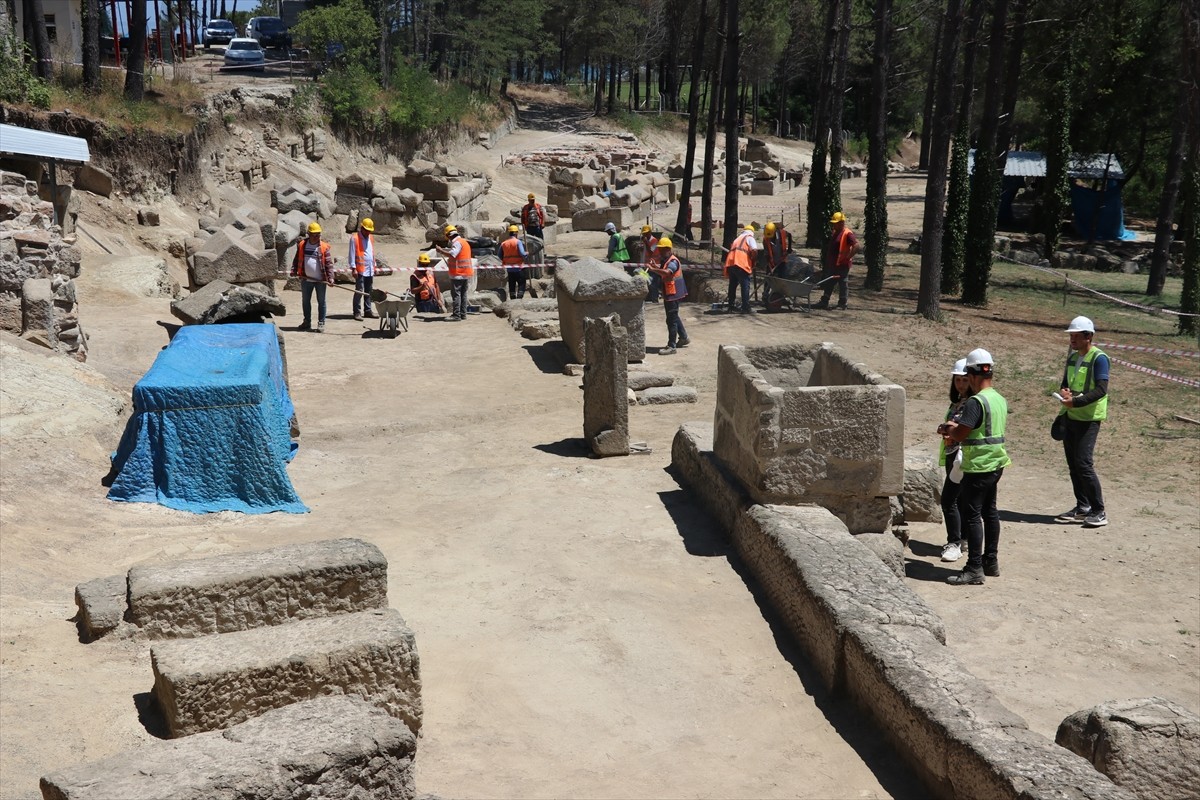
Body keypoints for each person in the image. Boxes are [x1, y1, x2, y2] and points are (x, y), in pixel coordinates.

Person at [941, 348, 1011, 585]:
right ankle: (991, 561)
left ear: (971, 375)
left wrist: (948, 430)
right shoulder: (999, 398)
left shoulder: (975, 402)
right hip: (996, 463)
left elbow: (961, 432)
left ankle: (974, 568)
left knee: (972, 515)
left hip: (978, 465)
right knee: (990, 512)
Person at [1054, 316, 1110, 528]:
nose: (1072, 339)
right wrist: (1064, 392)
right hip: (1071, 417)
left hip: (1089, 419)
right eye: (1071, 335)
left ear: (1089, 337)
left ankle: (1099, 511)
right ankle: (1083, 506)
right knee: (1073, 464)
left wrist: (1076, 402)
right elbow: (1065, 383)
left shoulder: (1100, 359)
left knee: (1084, 464)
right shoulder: (1072, 358)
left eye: (1076, 335)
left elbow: (1101, 389)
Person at [936, 358, 972, 562]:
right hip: (952, 454)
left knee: (949, 500)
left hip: (961, 456)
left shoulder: (972, 403)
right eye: (958, 380)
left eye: (965, 380)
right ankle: (963, 538)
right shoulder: (956, 401)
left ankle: (955, 543)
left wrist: (950, 428)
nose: (961, 385)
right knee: (959, 500)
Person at [290, 221, 335, 333]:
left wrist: (331, 278)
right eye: (314, 234)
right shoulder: (302, 245)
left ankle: (321, 322)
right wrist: (294, 270)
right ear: (309, 234)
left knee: (321, 301)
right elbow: (296, 260)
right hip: (306, 279)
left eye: (318, 234)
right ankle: (307, 321)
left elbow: (329, 264)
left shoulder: (324, 247)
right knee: (306, 301)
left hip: (320, 280)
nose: (317, 237)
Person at [650, 236, 689, 355]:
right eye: (660, 249)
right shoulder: (667, 260)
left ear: (668, 249)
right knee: (674, 316)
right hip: (671, 292)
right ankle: (683, 337)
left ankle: (671, 346)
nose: (660, 252)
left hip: (673, 293)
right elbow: (663, 269)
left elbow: (667, 272)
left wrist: (652, 269)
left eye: (662, 249)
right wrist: (656, 267)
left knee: (671, 319)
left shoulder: (673, 261)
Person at [815, 211, 860, 310]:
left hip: (842, 264)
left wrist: (848, 257)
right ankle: (824, 301)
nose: (833, 225)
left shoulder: (847, 234)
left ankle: (842, 303)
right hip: (834, 264)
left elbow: (856, 246)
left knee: (843, 283)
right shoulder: (836, 232)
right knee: (830, 282)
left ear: (841, 223)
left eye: (835, 223)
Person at [435, 225, 473, 321]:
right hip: (465, 272)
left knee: (456, 294)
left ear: (449, 235)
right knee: (463, 294)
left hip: (458, 273)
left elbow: (453, 254)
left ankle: (456, 315)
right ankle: (463, 314)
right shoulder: (464, 242)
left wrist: (441, 251)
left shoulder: (457, 243)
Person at [724, 223, 758, 313]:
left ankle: (731, 306)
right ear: (752, 232)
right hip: (741, 263)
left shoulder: (737, 239)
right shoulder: (750, 237)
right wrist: (754, 261)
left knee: (732, 285)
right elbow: (754, 250)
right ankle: (745, 307)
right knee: (745, 285)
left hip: (731, 263)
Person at [348, 217, 376, 321]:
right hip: (360, 269)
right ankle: (357, 312)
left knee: (369, 290)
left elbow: (372, 252)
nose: (368, 232)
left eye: (370, 230)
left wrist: (374, 265)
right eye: (367, 230)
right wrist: (353, 268)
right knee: (359, 291)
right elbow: (351, 254)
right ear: (362, 228)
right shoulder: (354, 238)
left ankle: (368, 310)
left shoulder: (371, 238)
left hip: (370, 269)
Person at [500, 224, 529, 299]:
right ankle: (519, 297)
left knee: (511, 284)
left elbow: (499, 255)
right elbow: (522, 253)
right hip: (519, 267)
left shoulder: (504, 243)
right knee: (521, 283)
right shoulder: (517, 242)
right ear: (516, 233)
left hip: (509, 268)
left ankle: (513, 298)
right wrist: (526, 254)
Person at [641, 225, 661, 302]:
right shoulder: (647, 241)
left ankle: (655, 298)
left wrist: (646, 243)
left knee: (653, 283)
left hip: (654, 266)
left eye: (646, 233)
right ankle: (650, 297)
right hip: (647, 265)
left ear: (650, 232)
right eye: (644, 233)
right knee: (648, 282)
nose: (644, 235)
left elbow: (651, 251)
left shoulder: (654, 241)